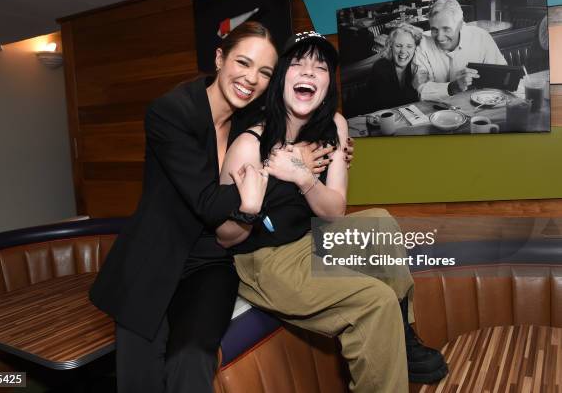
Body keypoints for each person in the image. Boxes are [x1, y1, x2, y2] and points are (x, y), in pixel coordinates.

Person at [89, 21, 351, 393]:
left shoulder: (253, 115)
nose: (251, 79)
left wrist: (335, 148)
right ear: (219, 58)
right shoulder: (171, 112)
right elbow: (209, 202)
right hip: (154, 256)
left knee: (191, 360)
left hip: (212, 258)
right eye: (243, 63)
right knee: (139, 379)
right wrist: (283, 170)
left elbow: (299, 126)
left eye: (264, 72)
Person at [216, 31, 448, 393]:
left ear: (327, 82)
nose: (308, 72)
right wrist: (248, 206)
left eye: (320, 67)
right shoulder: (251, 143)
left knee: (380, 223)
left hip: (310, 237)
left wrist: (301, 176)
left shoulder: (335, 126)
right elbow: (224, 236)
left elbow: (335, 211)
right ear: (281, 79)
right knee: (375, 301)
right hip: (265, 257)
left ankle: (402, 338)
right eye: (298, 64)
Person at [413, 0, 507, 100]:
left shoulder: (481, 37)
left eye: (446, 29)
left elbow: (502, 76)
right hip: (435, 110)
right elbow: (421, 89)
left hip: (478, 105)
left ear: (461, 25)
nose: (439, 37)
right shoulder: (422, 44)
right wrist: (452, 87)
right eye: (434, 30)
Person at [366, 23, 422, 111]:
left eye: (409, 46)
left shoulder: (417, 67)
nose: (403, 51)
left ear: (415, 48)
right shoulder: (380, 68)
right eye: (398, 46)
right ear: (391, 46)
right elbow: (387, 106)